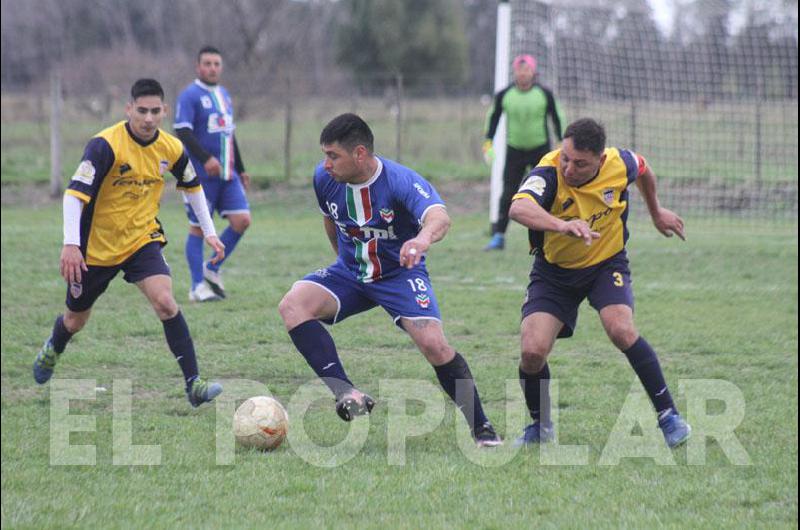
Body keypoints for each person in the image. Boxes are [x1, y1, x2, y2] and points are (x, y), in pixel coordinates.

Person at [278, 113, 502, 447]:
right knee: (292, 305)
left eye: (333, 155)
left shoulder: (399, 181)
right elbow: (331, 220)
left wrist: (421, 241)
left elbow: (439, 217)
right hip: (350, 273)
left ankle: (481, 428)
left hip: (399, 274)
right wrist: (343, 260)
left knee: (434, 345)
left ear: (360, 154)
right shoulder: (324, 179)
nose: (326, 164)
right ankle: (345, 392)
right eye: (325, 155)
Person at [32, 78, 225, 408]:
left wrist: (208, 230)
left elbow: (192, 187)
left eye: (155, 111)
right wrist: (70, 244)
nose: (148, 118)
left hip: (141, 239)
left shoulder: (172, 148)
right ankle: (55, 343)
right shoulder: (105, 145)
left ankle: (194, 384)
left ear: (164, 110)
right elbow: (73, 195)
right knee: (75, 320)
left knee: (165, 302)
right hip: (96, 247)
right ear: (128, 109)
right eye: (141, 111)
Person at [508, 118, 691, 448]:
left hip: (606, 264)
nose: (568, 167)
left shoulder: (619, 163)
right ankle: (540, 426)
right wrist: (561, 226)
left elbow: (644, 170)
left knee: (620, 328)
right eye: (565, 157)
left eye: (580, 163)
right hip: (555, 273)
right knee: (532, 352)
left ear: (600, 160)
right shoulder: (548, 172)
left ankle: (669, 416)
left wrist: (656, 211)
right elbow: (519, 209)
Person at [174, 46, 251, 302]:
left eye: (217, 64)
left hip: (228, 176)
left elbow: (230, 133)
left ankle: (212, 268)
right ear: (198, 67)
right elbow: (183, 131)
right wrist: (205, 158)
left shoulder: (225, 95)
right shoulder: (190, 95)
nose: (212, 68)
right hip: (199, 177)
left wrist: (241, 168)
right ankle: (197, 287)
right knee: (198, 228)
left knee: (242, 221)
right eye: (207, 63)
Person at [483, 54, 565, 251]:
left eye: (526, 69)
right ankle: (499, 236)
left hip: (541, 151)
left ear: (533, 72)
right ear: (515, 72)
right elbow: (493, 117)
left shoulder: (544, 94)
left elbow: (557, 117)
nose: (522, 73)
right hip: (515, 151)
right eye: (519, 70)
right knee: (508, 193)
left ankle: (549, 235)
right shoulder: (505, 95)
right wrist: (488, 142)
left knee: (547, 192)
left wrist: (563, 143)